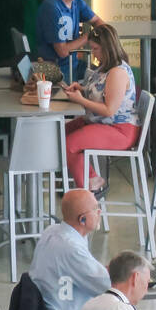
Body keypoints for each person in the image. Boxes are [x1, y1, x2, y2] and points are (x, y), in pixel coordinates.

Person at [61, 22, 140, 196]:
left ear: (107, 48)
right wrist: (81, 89)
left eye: (96, 49)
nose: (93, 53)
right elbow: (100, 91)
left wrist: (81, 100)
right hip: (102, 123)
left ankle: (90, 188)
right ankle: (86, 180)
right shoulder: (106, 66)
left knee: (69, 145)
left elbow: (109, 110)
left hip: (119, 130)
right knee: (58, 135)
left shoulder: (118, 72)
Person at [27, 189, 109, 310]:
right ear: (82, 219)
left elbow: (87, 272)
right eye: (95, 209)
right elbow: (108, 287)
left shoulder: (53, 231)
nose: (100, 211)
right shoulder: (71, 247)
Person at [35, 0, 100, 82]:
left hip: (73, 64)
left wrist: (103, 33)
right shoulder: (51, 7)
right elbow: (63, 51)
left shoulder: (77, 2)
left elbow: (97, 21)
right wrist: (89, 36)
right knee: (99, 79)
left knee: (105, 73)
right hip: (57, 70)